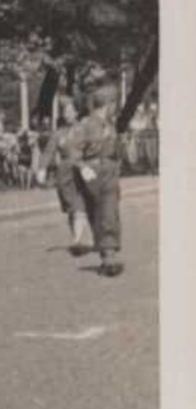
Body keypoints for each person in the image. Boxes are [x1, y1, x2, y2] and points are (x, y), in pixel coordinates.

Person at [73, 84, 126, 277]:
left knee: (109, 212)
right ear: (108, 104)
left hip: (110, 171)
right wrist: (83, 167)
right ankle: (106, 256)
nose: (115, 109)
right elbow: (73, 150)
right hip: (93, 172)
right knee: (98, 213)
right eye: (114, 104)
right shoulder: (86, 124)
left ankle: (109, 257)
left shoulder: (110, 125)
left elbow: (115, 150)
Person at [44, 96, 92, 255]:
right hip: (64, 175)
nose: (67, 114)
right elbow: (49, 151)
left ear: (77, 112)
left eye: (70, 111)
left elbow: (92, 149)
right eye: (65, 111)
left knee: (79, 207)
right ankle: (76, 238)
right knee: (71, 209)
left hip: (81, 172)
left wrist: (89, 166)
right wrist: (41, 168)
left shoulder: (84, 130)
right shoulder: (59, 133)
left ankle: (77, 240)